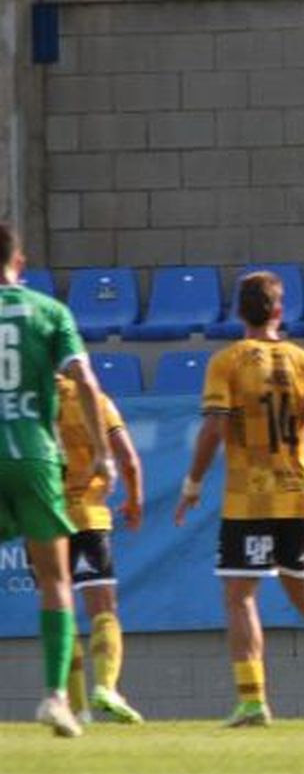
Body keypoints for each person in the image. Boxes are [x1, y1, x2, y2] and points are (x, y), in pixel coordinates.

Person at [175, 271, 304, 728]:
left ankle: (252, 700)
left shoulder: (227, 362)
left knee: (240, 595)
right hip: (295, 496)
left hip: (249, 499)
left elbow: (213, 427)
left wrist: (192, 485)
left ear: (238, 311)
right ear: (280, 311)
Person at [0, 222, 115, 738]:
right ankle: (55, 697)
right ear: (19, 262)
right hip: (35, 456)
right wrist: (103, 454)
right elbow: (85, 380)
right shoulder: (50, 312)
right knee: (55, 580)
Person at [57, 372, 145, 723]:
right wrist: (134, 499)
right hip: (87, 517)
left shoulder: (24, 405)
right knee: (103, 609)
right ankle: (106, 686)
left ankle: (78, 710)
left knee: (58, 612)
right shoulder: (93, 400)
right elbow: (128, 460)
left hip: (44, 518)